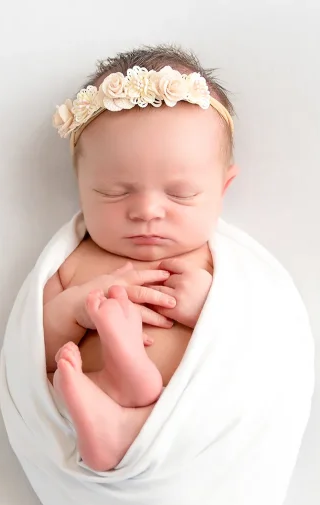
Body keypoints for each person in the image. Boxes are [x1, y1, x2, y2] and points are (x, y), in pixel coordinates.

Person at [42, 45, 239, 472]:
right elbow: (32, 347)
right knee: (62, 378)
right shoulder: (74, 261)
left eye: (181, 193)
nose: (147, 211)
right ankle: (117, 390)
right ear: (80, 184)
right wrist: (76, 308)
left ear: (223, 188)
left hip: (183, 429)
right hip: (89, 404)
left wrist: (212, 306)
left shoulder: (222, 268)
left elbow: (264, 346)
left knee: (193, 409)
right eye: (114, 192)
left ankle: (130, 407)